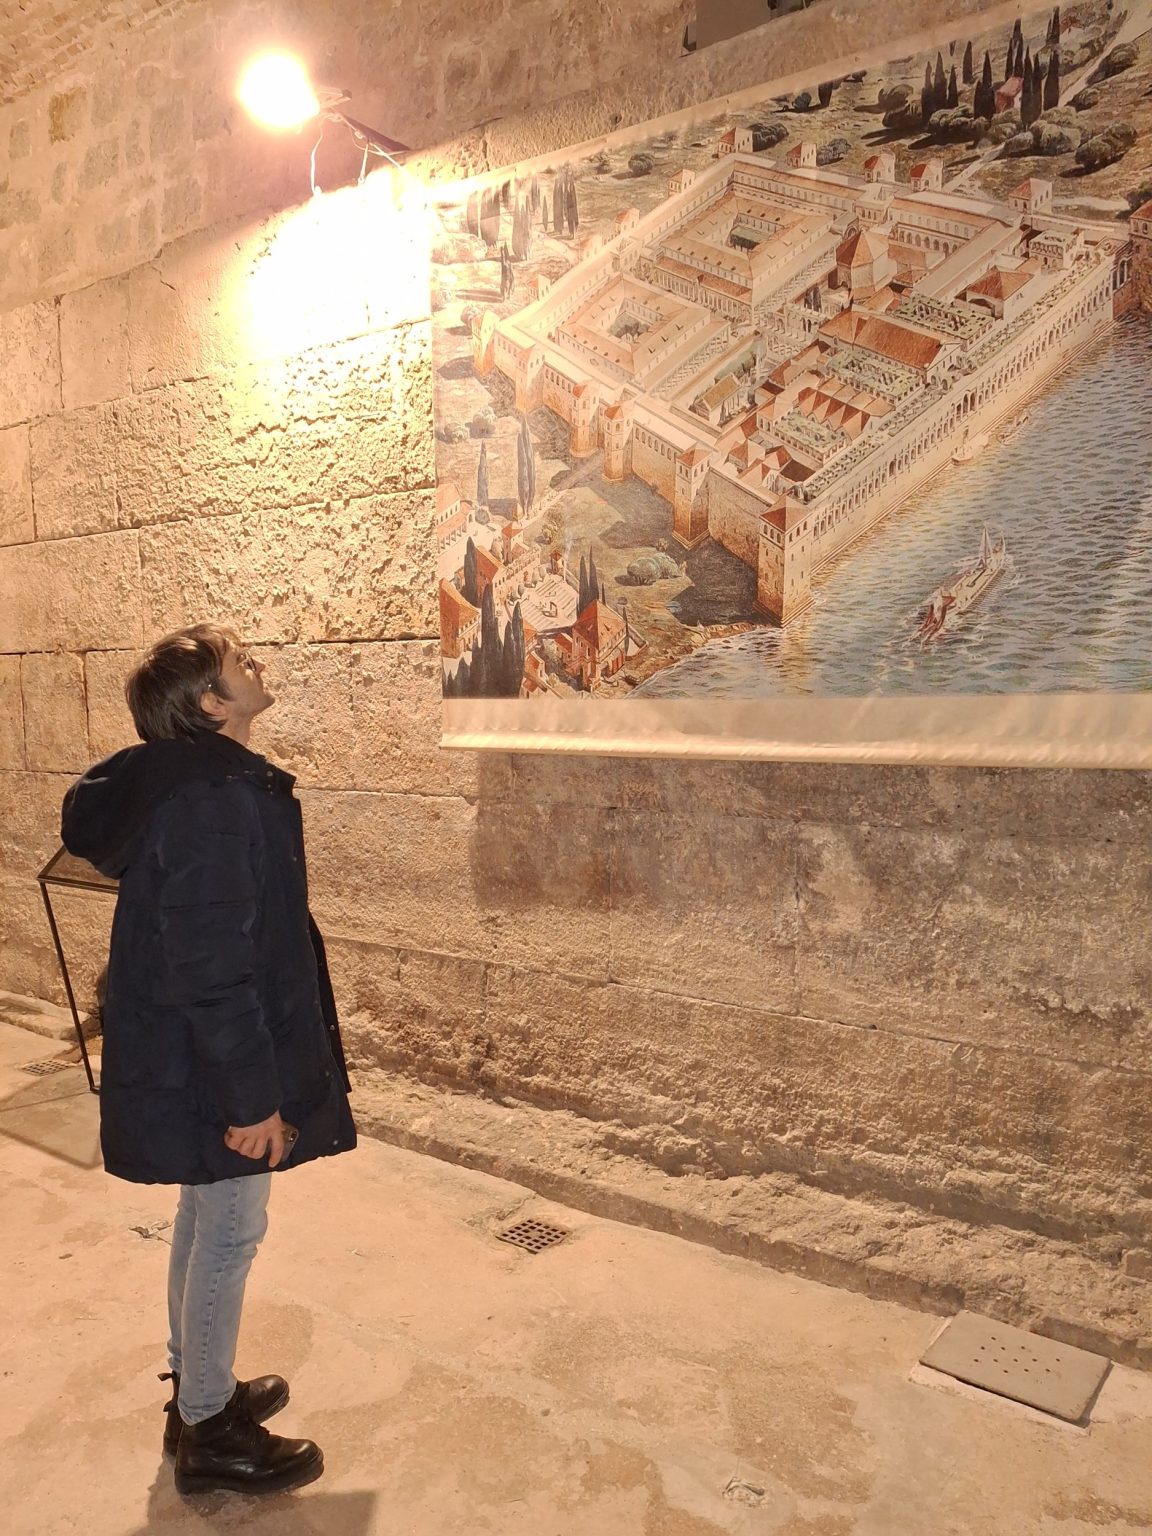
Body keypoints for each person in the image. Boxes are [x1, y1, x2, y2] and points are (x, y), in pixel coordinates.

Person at [61, 623, 356, 1497]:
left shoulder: (201, 783)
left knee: (206, 1215)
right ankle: (210, 1433)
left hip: (193, 1053)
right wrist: (251, 1099)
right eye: (238, 662)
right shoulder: (209, 801)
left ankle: (200, 1391)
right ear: (210, 703)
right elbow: (211, 965)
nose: (255, 664)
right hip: (210, 1062)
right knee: (230, 1228)